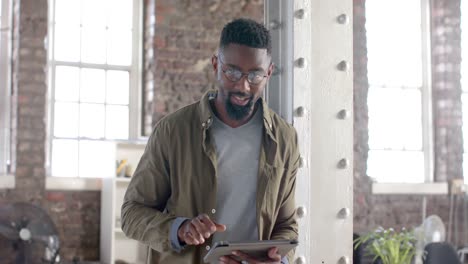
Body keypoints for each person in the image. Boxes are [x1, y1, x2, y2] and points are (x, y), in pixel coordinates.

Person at [121, 18, 300, 264]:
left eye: (255, 75)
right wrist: (179, 229)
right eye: (232, 72)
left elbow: (287, 225)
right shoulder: (173, 131)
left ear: (269, 73)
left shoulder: (285, 139)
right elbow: (132, 214)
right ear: (216, 64)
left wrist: (279, 260)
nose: (243, 86)